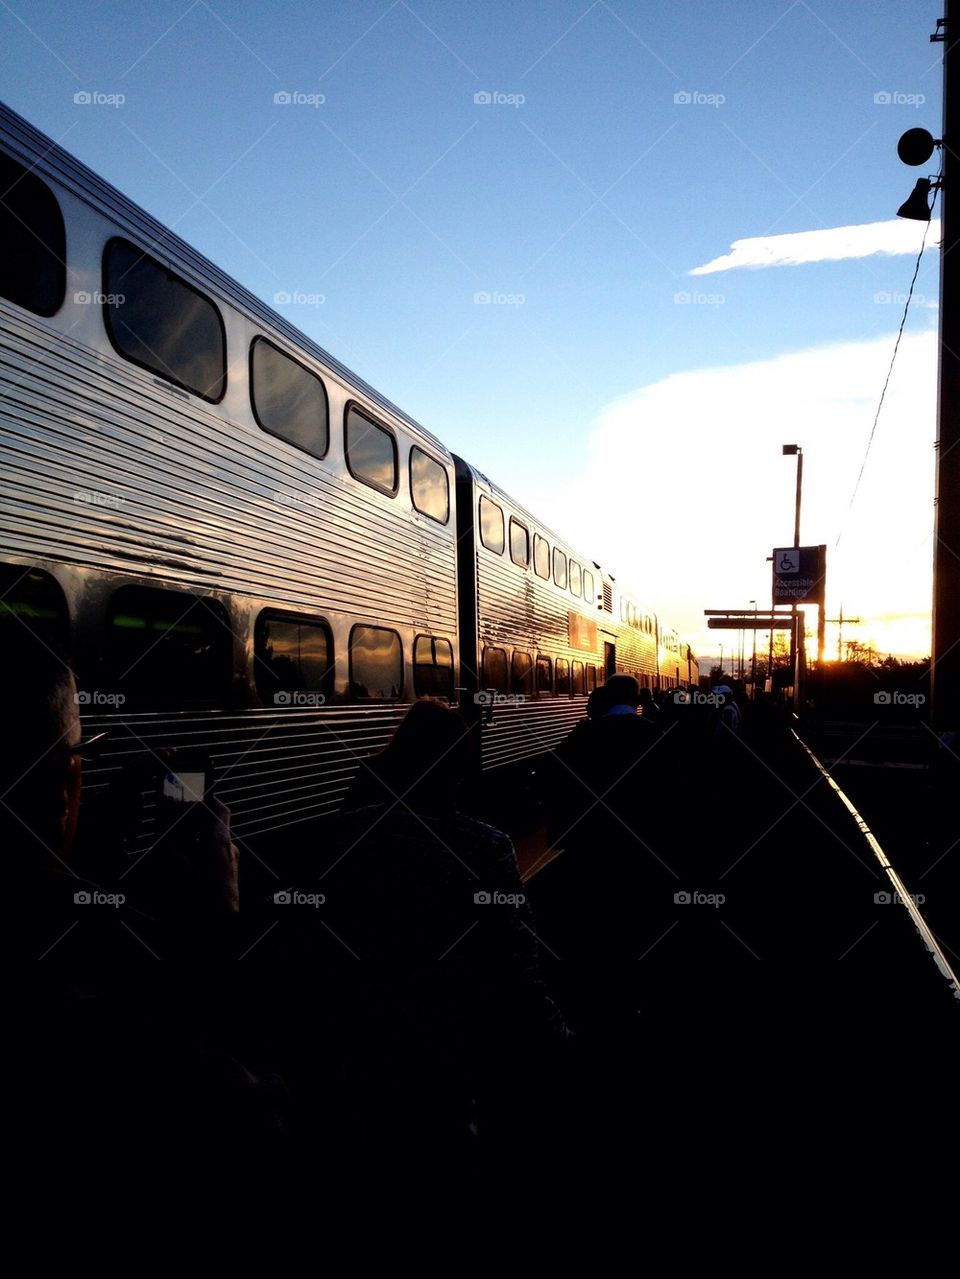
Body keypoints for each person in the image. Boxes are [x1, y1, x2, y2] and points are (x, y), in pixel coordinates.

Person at [320, 698, 569, 1155]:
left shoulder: (345, 834)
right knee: (447, 1136)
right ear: (456, 766)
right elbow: (514, 951)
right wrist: (553, 1030)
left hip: (362, 1020)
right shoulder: (484, 845)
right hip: (448, 1028)